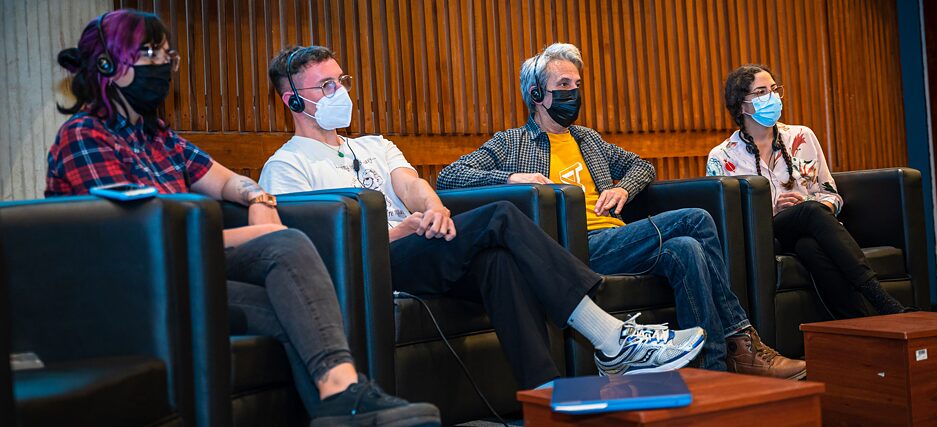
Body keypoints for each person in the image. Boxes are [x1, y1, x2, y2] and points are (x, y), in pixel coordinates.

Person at [45, 10, 440, 426]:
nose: (163, 67)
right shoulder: (85, 136)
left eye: (167, 57)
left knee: (299, 304)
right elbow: (137, 239)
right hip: (131, 285)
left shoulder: (158, 138)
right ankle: (346, 400)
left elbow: (230, 182)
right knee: (286, 245)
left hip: (184, 274)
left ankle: (343, 405)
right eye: (151, 55)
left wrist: (258, 197)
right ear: (109, 65)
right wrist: (262, 235)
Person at [259, 45, 707, 386]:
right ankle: (609, 337)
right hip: (375, 261)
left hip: (422, 245)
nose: (340, 92)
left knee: (499, 262)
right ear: (292, 101)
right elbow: (311, 248)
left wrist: (435, 210)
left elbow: (412, 186)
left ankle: (545, 393)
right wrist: (397, 232)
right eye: (325, 86)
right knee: (499, 216)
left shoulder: (374, 145)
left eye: (341, 81)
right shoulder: (286, 166)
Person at [436, 43, 806, 380]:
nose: (573, 93)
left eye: (577, 85)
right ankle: (741, 340)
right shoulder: (512, 142)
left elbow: (642, 165)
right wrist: (513, 178)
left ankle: (710, 370)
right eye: (563, 85)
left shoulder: (588, 139)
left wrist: (622, 188)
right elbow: (449, 176)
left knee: (687, 249)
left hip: (616, 238)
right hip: (569, 248)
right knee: (695, 219)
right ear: (536, 94)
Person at [706, 64, 908, 319]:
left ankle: (860, 323)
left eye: (774, 89)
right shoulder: (722, 156)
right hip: (765, 237)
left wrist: (808, 204)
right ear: (741, 106)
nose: (772, 97)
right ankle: (881, 298)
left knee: (809, 245)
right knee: (809, 212)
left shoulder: (802, 136)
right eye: (761, 92)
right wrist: (774, 210)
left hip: (809, 229)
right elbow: (728, 222)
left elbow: (831, 195)